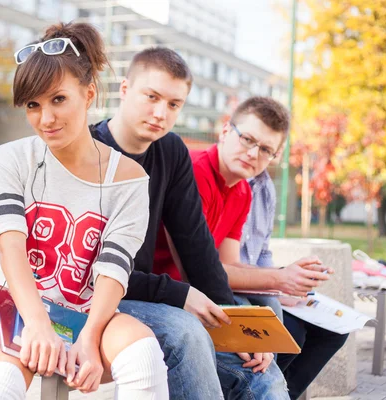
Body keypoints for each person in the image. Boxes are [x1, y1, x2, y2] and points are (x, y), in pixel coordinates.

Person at [0, 22, 169, 400]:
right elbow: (11, 248)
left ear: (88, 95)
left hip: (85, 317)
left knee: (143, 355)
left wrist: (89, 338)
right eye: (33, 105)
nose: (46, 119)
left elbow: (114, 270)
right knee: (2, 380)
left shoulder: (130, 179)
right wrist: (37, 322)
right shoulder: (12, 158)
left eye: (58, 99)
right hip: (7, 306)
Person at [92, 48, 287, 399]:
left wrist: (237, 323)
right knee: (185, 329)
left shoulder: (170, 151)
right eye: (151, 97)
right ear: (124, 89)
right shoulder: (89, 149)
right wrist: (180, 294)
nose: (160, 113)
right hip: (94, 297)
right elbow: (89, 267)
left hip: (148, 296)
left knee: (261, 368)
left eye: (173, 104)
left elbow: (196, 245)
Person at [240, 158, 349, 400]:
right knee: (292, 334)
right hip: (240, 290)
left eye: (273, 149)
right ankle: (265, 392)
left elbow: (263, 252)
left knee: (335, 330)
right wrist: (276, 284)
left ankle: (282, 394)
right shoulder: (233, 183)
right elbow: (222, 268)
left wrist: (285, 286)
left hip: (263, 288)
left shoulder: (265, 186)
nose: (266, 154)